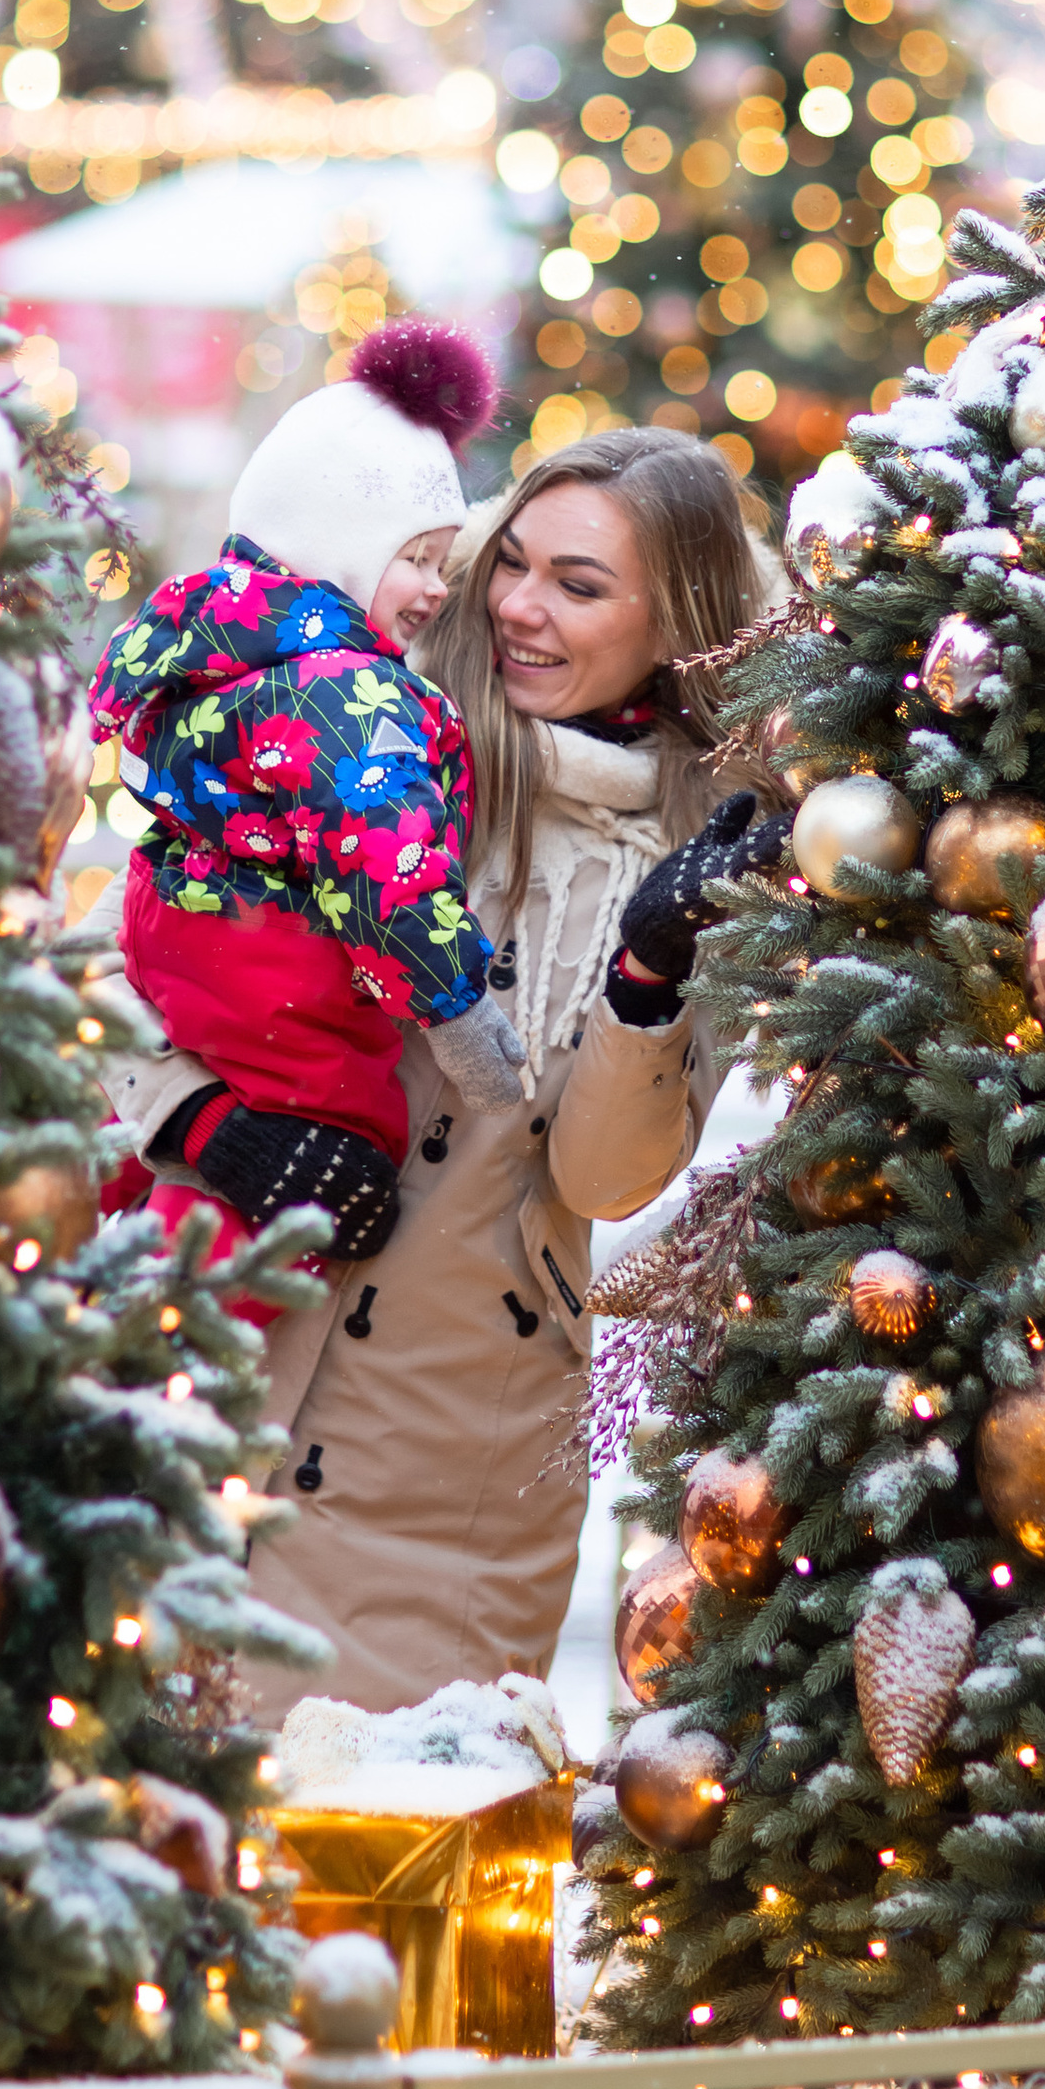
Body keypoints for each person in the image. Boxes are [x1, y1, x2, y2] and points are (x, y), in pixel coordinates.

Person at [117, 421, 781, 1711]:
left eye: (580, 588)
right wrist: (208, 1130)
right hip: (210, 1358)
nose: (522, 611)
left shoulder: (713, 847)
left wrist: (648, 977)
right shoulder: (350, 723)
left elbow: (599, 1179)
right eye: (511, 563)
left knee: (382, 1879)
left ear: (675, 628)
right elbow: (115, 960)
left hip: (446, 1454)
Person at [89, 321, 527, 1273]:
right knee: (330, 1143)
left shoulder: (217, 637)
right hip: (274, 970)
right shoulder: (345, 693)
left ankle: (103, 1196)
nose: (436, 590)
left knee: (167, 1142)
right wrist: (456, 1011)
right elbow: (386, 865)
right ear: (338, 547)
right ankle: (181, 1349)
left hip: (174, 934)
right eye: (416, 559)